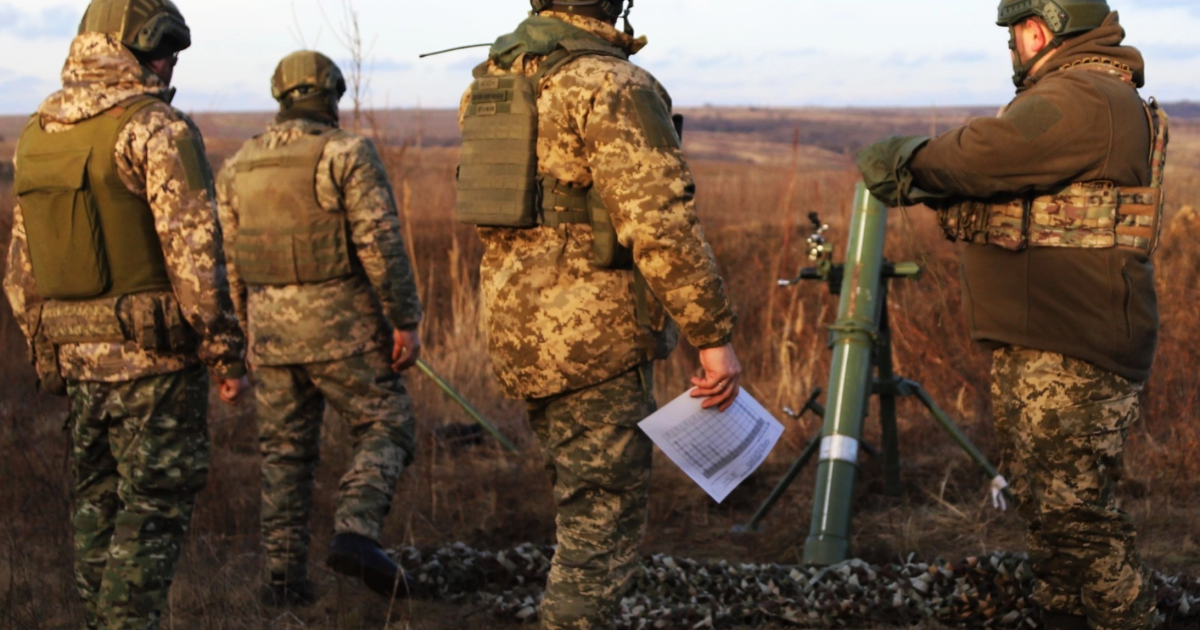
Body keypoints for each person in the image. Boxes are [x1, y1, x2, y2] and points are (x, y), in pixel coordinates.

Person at [857, 2, 1167, 629]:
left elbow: (983, 154)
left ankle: (1128, 618)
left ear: (1037, 29)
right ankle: (1064, 615)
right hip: (1046, 340)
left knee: (1078, 522)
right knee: (1045, 511)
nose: (1012, 50)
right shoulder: (1092, 89)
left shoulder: (1083, 93)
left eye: (1013, 36)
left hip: (1075, 347)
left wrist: (905, 162)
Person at [456, 1, 742, 628]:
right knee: (598, 536)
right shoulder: (614, 84)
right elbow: (661, 225)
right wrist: (712, 335)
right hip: (593, 342)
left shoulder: (492, 80)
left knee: (579, 512)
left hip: (518, 332)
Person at [2, 0, 249, 628]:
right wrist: (225, 353)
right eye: (167, 50)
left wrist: (45, 351)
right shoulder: (157, 128)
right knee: (151, 514)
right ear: (142, 49)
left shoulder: (36, 133)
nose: (170, 65)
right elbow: (196, 258)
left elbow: (19, 272)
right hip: (155, 364)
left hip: (79, 364)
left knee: (96, 508)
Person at [215, 51, 424, 607]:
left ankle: (283, 584)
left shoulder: (238, 165)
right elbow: (380, 243)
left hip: (271, 338)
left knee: (284, 457)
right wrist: (405, 320)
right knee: (389, 423)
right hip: (344, 331)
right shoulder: (346, 152)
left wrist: (237, 351)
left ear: (280, 95)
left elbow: (230, 266)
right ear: (332, 94)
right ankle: (356, 531)